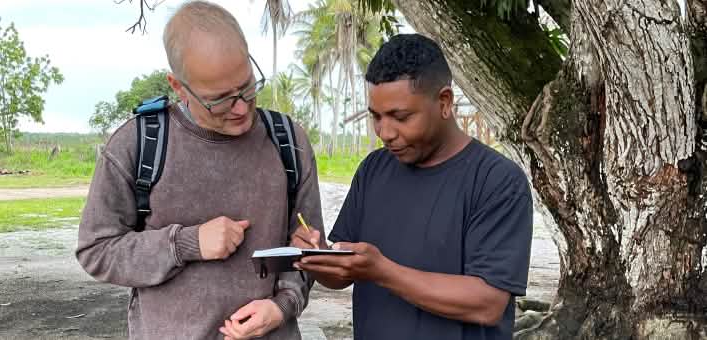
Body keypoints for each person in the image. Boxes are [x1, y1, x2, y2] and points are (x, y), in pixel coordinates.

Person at [76, 1, 324, 339]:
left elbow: (308, 247)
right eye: (220, 98)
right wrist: (185, 244)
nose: (240, 108)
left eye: (247, 87)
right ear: (179, 86)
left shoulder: (287, 141)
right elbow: (96, 250)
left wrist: (283, 305)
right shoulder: (138, 143)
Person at [292, 33, 533, 339]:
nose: (385, 132)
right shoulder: (374, 170)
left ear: (444, 102)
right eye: (376, 117)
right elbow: (343, 275)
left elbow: (487, 304)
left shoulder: (497, 181)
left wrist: (381, 270)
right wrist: (316, 257)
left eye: (400, 117)